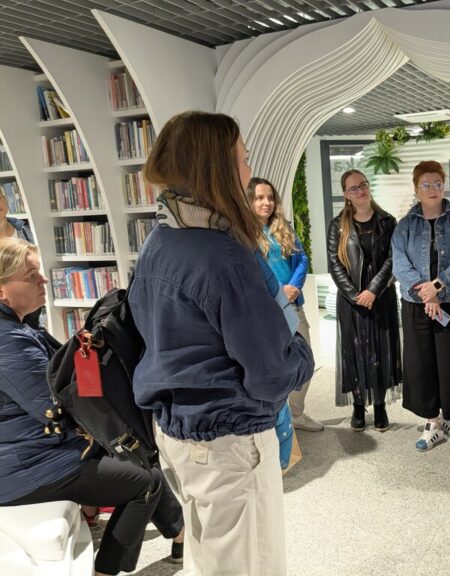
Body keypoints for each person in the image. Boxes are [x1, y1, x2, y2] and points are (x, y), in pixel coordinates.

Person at [129, 111, 314, 575]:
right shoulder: (223, 254)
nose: (249, 171)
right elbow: (272, 370)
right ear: (217, 167)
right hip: (228, 438)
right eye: (243, 159)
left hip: (179, 431)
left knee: (211, 558)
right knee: (247, 565)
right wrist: (304, 358)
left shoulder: (160, 239)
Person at [0, 237, 184, 576]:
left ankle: (180, 533)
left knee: (135, 450)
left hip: (29, 454)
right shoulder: (8, 342)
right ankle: (106, 572)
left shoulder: (17, 328)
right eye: (30, 276)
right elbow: (54, 406)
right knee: (145, 479)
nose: (43, 281)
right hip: (26, 469)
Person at [392, 160, 450, 451]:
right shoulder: (405, 225)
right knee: (420, 363)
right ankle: (432, 420)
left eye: (437, 184)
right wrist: (426, 294)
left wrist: (437, 287)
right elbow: (400, 264)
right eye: (426, 185)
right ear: (416, 189)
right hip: (416, 304)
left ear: (443, 185)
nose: (432, 189)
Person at [247, 177, 323, 432]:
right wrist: (278, 291)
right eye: (259, 198)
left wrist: (293, 287)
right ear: (249, 201)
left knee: (305, 359)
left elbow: (302, 259)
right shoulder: (242, 233)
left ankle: (297, 413)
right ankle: (276, 420)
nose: (266, 202)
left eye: (270, 197)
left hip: (292, 305)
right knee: (272, 366)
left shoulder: (283, 227)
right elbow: (248, 271)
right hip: (265, 310)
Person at [327, 169, 401, 432]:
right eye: (353, 188)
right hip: (351, 300)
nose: (360, 190)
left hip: (381, 296)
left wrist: (373, 290)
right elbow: (334, 263)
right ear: (346, 195)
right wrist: (355, 295)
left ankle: (379, 405)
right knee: (354, 350)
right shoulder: (338, 225)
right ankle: (359, 405)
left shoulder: (388, 221)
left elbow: (394, 259)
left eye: (363, 185)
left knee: (382, 348)